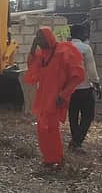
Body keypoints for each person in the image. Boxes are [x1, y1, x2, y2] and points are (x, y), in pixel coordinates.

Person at [24, 27, 86, 169]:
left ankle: (56, 159)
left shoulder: (64, 51)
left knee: (51, 129)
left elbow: (78, 75)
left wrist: (64, 94)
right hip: (43, 96)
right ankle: (48, 158)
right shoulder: (42, 55)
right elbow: (31, 66)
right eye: (37, 38)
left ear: (49, 37)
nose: (39, 41)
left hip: (56, 97)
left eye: (41, 38)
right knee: (42, 129)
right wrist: (33, 46)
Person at [67, 24, 101, 151]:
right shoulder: (85, 48)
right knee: (88, 115)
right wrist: (97, 84)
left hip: (69, 89)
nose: (86, 35)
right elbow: (91, 69)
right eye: (84, 33)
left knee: (73, 116)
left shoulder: (64, 47)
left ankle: (75, 141)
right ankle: (77, 141)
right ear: (80, 34)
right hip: (85, 87)